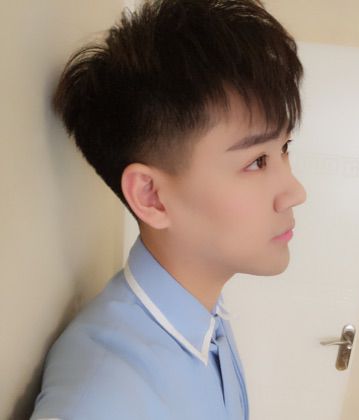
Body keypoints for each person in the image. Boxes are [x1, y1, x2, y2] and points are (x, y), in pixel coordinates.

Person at [30, 0, 306, 419]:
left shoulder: (204, 317)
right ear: (151, 197)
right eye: (256, 161)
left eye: (284, 148)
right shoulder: (101, 401)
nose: (295, 192)